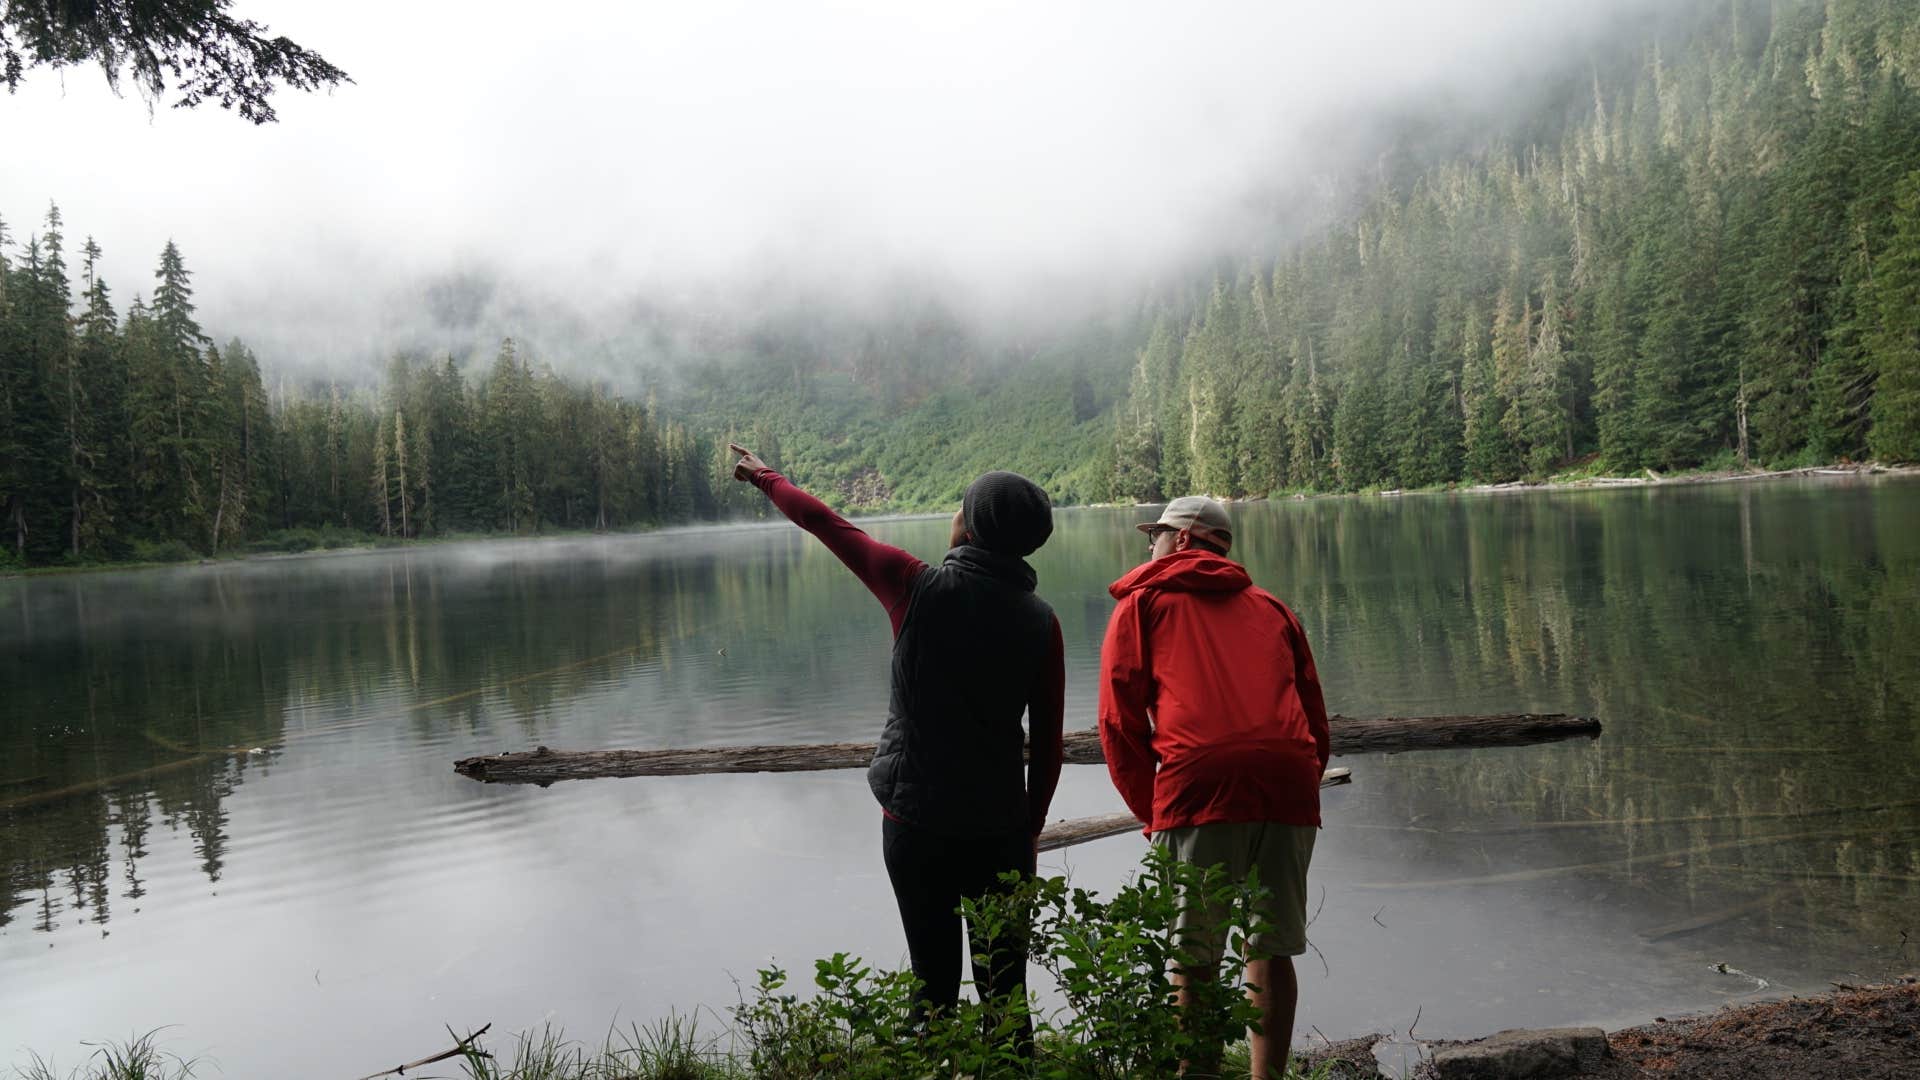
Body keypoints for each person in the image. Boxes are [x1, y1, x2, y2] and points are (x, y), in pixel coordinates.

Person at [728, 444, 1065, 1042]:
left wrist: (765, 478)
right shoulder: (1042, 621)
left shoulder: (914, 586)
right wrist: (1028, 830)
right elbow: (1047, 747)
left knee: (931, 994)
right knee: (1005, 999)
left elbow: (827, 524)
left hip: (914, 825)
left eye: (962, 507)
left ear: (970, 526)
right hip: (999, 831)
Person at [1097, 495, 1331, 1080]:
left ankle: (1196, 1074)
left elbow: (1118, 723)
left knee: (1194, 954)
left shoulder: (1143, 606)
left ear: (1179, 541)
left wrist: (1151, 809)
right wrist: (1301, 781)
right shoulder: (1273, 608)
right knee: (1270, 948)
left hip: (1198, 782)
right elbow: (1314, 716)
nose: (1146, 545)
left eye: (1154, 535)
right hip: (1287, 778)